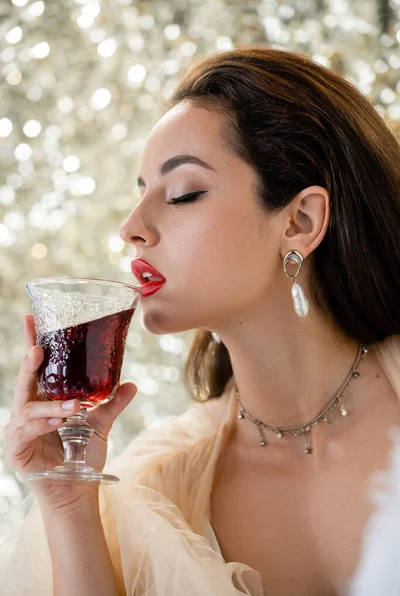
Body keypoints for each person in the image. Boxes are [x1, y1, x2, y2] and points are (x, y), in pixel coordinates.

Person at [1, 45, 400, 596]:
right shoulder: (158, 491)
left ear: (301, 221)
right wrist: (67, 501)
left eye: (183, 193)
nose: (132, 229)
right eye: (140, 194)